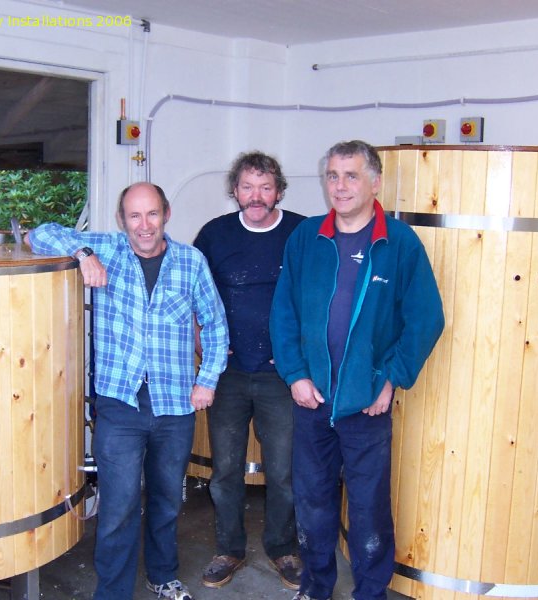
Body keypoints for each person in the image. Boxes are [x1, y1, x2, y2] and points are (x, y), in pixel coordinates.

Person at [26, 182, 229, 600]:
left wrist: (207, 379)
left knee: (167, 501)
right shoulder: (109, 249)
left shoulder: (191, 262)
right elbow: (36, 234)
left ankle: (162, 576)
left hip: (175, 406)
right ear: (122, 220)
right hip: (119, 404)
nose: (144, 225)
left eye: (152, 214)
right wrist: (83, 255)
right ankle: (114, 593)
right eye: (134, 216)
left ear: (166, 214)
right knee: (118, 508)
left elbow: (215, 322)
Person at [269, 140, 445, 600]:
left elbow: (426, 319)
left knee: (368, 509)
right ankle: (315, 586)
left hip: (366, 403)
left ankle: (370, 593)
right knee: (311, 503)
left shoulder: (399, 243)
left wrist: (391, 378)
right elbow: (283, 312)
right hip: (312, 400)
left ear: (375, 182)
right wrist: (295, 375)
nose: (340, 186)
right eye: (332, 176)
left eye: (351, 176)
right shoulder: (306, 238)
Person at [193, 152, 305, 590]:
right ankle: (229, 549)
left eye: (264, 187)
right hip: (229, 374)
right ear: (234, 191)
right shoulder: (214, 235)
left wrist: (299, 353)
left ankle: (283, 548)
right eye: (246, 187)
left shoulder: (302, 232)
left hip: (282, 375)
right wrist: (202, 337)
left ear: (278, 190)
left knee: (283, 472)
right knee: (225, 471)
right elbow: (195, 292)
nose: (255, 197)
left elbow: (317, 296)